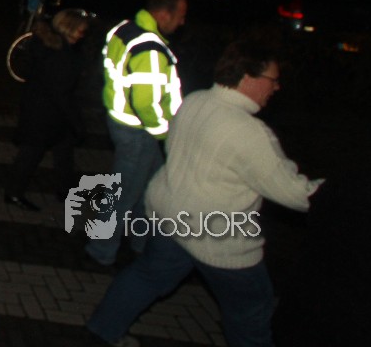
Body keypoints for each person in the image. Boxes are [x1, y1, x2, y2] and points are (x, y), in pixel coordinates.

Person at [85, 41, 323, 347]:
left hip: (172, 216)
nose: (276, 87)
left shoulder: (194, 100)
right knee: (252, 309)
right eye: (272, 80)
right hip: (217, 234)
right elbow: (295, 193)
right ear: (248, 77)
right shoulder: (250, 132)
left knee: (146, 276)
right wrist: (339, 191)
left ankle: (102, 330)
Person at [86, 0, 186, 268]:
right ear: (164, 14)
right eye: (180, 16)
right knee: (125, 194)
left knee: (150, 189)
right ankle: (101, 250)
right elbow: (145, 101)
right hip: (139, 132)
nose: (182, 22)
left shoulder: (124, 29)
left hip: (122, 123)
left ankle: (142, 243)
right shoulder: (150, 49)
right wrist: (164, 131)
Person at [3, 8, 89, 212]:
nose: (82, 35)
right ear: (69, 29)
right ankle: (14, 193)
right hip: (45, 114)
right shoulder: (60, 55)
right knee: (31, 155)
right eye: (80, 30)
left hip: (43, 109)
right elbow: (61, 93)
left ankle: (66, 189)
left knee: (63, 152)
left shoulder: (47, 46)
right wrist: (77, 122)